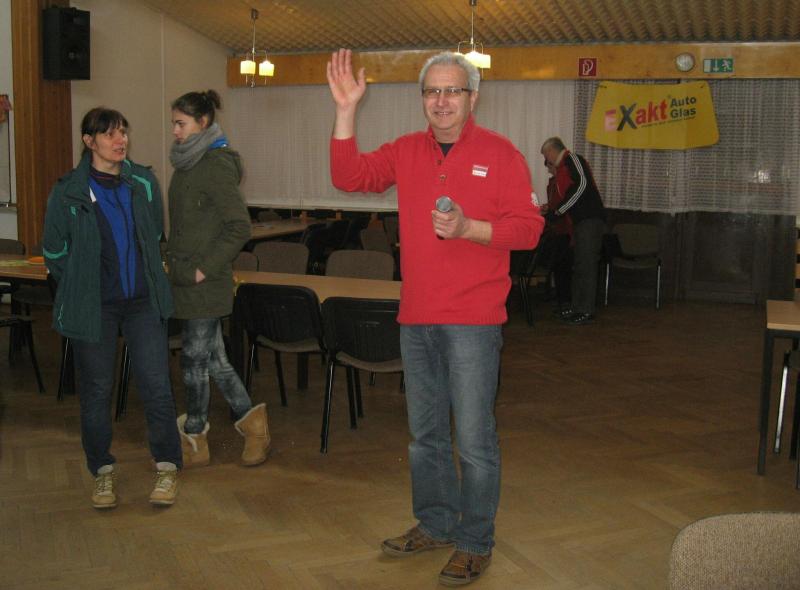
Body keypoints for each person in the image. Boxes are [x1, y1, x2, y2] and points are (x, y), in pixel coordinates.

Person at [327, 49, 543, 586]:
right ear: (422, 98)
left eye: (452, 90)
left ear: (473, 98)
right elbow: (349, 177)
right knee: (425, 438)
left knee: (473, 441)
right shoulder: (405, 150)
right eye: (432, 91)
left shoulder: (500, 154)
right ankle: (436, 523)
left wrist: (471, 230)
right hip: (417, 317)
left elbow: (528, 229)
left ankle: (474, 541)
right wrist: (346, 110)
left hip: (474, 321)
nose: (441, 101)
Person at [42, 107, 181, 509]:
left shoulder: (143, 182)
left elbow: (154, 235)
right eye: (109, 134)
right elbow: (54, 252)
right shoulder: (67, 191)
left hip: (142, 302)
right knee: (97, 390)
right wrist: (82, 283)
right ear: (89, 142)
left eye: (123, 132)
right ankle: (102, 471)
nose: (120, 141)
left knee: (156, 384)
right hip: (95, 307)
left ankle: (168, 465)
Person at [166, 90, 270, 468]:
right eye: (174, 124)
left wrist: (203, 268)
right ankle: (254, 425)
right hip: (185, 280)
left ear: (203, 122)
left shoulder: (216, 165)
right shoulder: (187, 163)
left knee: (194, 360)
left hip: (205, 281)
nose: (175, 131)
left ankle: (195, 436)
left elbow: (239, 226)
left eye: (181, 123)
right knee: (214, 359)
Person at [540, 137, 606, 325]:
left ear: (552, 151)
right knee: (580, 265)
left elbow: (581, 185)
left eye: (546, 155)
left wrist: (558, 211)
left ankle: (585, 310)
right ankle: (577, 307)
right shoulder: (562, 169)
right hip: (580, 222)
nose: (547, 160)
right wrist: (555, 210)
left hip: (589, 219)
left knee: (586, 265)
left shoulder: (573, 159)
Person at [543, 161, 574, 311]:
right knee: (558, 265)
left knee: (563, 267)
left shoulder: (562, 182)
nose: (550, 171)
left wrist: (551, 211)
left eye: (550, 167)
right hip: (556, 230)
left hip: (564, 229)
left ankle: (565, 299)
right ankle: (560, 297)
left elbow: (561, 206)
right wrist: (548, 208)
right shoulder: (552, 183)